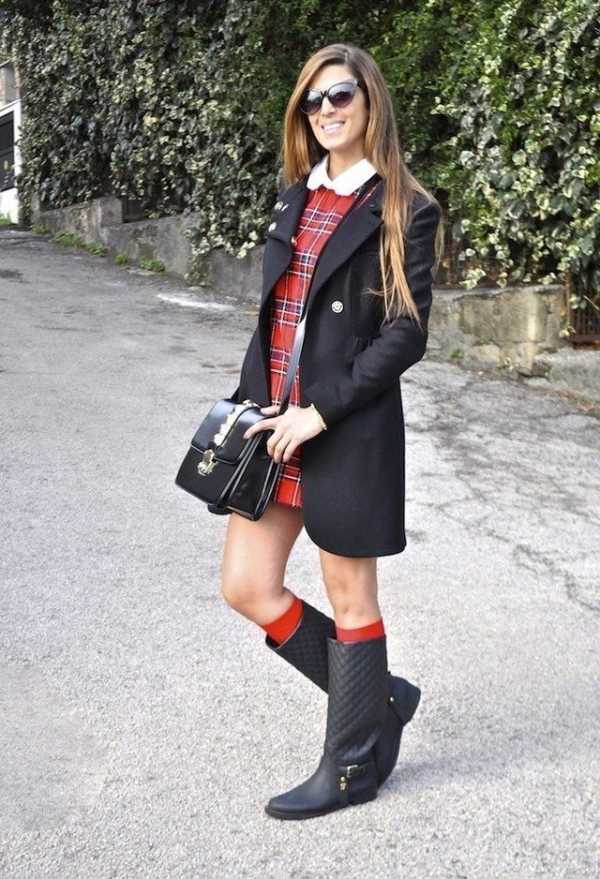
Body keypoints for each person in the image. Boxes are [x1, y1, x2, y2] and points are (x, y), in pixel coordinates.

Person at [217, 43, 443, 820]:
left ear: (369, 100)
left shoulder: (404, 206)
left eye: (340, 95)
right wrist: (250, 406)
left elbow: (406, 333)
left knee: (351, 596)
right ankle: (377, 699)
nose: (326, 111)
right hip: (275, 425)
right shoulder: (296, 198)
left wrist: (320, 409)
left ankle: (351, 766)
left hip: (340, 425)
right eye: (313, 101)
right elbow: (277, 320)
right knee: (246, 585)